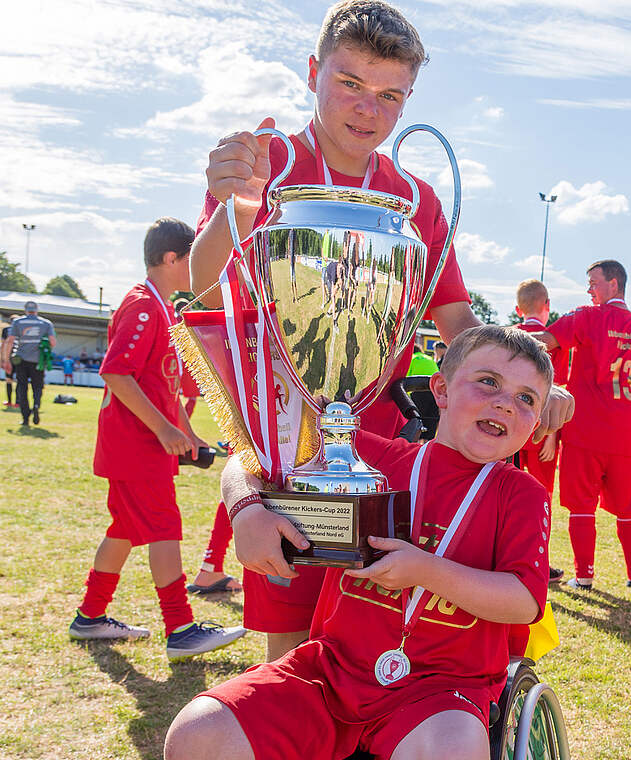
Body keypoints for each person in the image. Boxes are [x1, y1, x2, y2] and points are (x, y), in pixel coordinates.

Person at [189, 0, 571, 661]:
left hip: (382, 454)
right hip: (278, 445)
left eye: (391, 95)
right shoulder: (267, 162)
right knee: (292, 647)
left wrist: (527, 381)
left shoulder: (416, 200)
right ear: (314, 72)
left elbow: (457, 325)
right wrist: (238, 205)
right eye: (351, 85)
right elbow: (199, 284)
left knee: (374, 640)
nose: (369, 110)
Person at [164, 325, 554, 760]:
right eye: (488, 382)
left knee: (452, 751)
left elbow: (523, 601)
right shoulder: (372, 458)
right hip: (331, 672)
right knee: (197, 734)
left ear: (535, 423)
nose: (505, 401)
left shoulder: (521, 493)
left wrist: (425, 569)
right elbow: (251, 457)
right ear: (440, 390)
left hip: (443, 690)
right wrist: (247, 510)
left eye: (526, 398)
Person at [69, 217, 246, 660]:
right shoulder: (142, 305)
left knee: (125, 530)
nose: (198, 266)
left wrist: (187, 433)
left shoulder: (162, 306)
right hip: (135, 447)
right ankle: (181, 628)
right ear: (172, 258)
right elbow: (116, 373)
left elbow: (162, 387)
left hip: (143, 444)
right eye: (193, 257)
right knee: (164, 528)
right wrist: (165, 429)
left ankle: (89, 618)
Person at [539, 259, 631, 589]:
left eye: (594, 283)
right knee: (629, 510)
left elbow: (545, 342)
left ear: (614, 285)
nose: (589, 289)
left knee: (581, 507)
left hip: (586, 431)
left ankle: (584, 577)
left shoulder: (588, 316)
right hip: (628, 438)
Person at [512, 279, 567, 584]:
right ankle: (537, 562)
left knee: (504, 491)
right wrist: (552, 433)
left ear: (518, 309)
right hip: (541, 432)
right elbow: (557, 391)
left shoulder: (509, 337)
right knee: (541, 498)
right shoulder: (556, 341)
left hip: (509, 432)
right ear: (547, 306)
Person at [2, 300, 55, 426]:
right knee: (37, 386)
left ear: (25, 310)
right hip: (38, 361)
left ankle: (25, 418)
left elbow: (10, 341)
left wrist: (6, 360)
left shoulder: (18, 322)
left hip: (21, 360)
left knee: (22, 387)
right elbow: (52, 342)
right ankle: (36, 405)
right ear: (36, 310)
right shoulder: (46, 323)